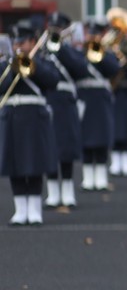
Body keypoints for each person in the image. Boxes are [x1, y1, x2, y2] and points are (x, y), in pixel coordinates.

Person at [0, 20, 60, 225]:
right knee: (15, 164)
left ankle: (35, 209)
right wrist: (12, 67)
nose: (18, 46)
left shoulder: (42, 60)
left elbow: (53, 81)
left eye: (23, 42)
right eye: (16, 42)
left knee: (35, 163)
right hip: (12, 117)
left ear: (33, 41)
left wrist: (34, 67)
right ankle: (20, 210)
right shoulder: (5, 64)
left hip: (35, 117)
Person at [43, 12, 89, 207]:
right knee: (50, 146)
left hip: (67, 102)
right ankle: (52, 193)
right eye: (53, 28)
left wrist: (61, 48)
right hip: (49, 102)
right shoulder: (41, 52)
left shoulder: (71, 51)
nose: (55, 32)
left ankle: (68, 191)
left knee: (66, 148)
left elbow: (81, 70)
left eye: (59, 28)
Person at [77, 21, 121, 191]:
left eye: (96, 34)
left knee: (102, 137)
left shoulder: (106, 53)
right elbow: (76, 68)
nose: (93, 37)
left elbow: (114, 68)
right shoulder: (80, 53)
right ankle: (88, 178)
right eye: (90, 33)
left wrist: (101, 53)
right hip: (85, 98)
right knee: (86, 138)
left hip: (101, 100)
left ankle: (101, 177)